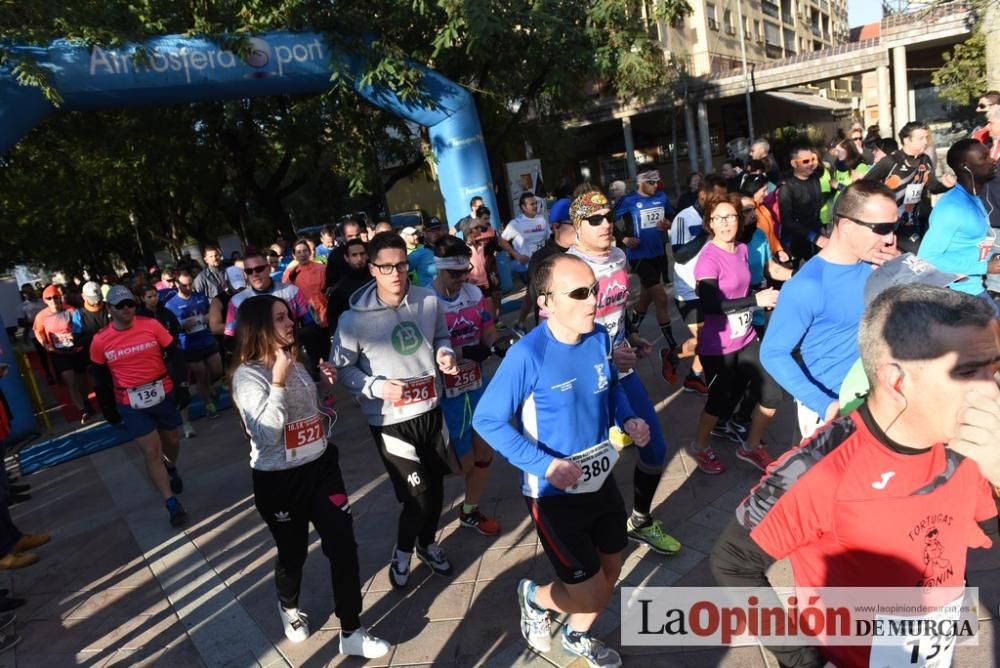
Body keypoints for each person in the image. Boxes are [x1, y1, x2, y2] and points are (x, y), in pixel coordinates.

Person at [711, 283, 1000, 668]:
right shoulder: (821, 468)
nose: (992, 390)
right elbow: (732, 561)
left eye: (995, 368)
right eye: (968, 372)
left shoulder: (974, 444)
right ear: (897, 381)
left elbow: (990, 529)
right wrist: (803, 661)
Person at [473, 252, 650, 668]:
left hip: (599, 478)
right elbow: (487, 420)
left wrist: (630, 417)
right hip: (552, 493)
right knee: (588, 592)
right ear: (546, 303)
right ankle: (533, 597)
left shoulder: (598, 338)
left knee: (611, 571)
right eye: (580, 293)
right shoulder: (527, 355)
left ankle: (576, 634)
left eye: (595, 289)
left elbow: (611, 390)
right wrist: (546, 466)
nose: (593, 300)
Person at [229, 295, 390, 657]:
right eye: (281, 318)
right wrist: (279, 381)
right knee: (293, 553)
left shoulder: (294, 362)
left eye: (289, 316)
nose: (291, 323)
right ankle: (288, 605)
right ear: (259, 328)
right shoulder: (248, 376)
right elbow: (267, 432)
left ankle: (352, 629)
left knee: (343, 547)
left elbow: (309, 414)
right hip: (279, 481)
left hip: (320, 468)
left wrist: (322, 387)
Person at [330, 232, 459, 590]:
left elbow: (442, 337)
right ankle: (403, 552)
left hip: (430, 411)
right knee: (417, 496)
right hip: (390, 421)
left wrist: (444, 355)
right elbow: (342, 368)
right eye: (386, 267)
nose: (396, 273)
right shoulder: (352, 320)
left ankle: (428, 544)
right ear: (372, 269)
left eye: (401, 264)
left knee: (435, 489)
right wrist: (376, 387)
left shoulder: (428, 300)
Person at [565, 191, 682, 555]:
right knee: (587, 467)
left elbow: (616, 311)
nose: (606, 226)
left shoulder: (618, 256)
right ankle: (583, 542)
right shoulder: (567, 268)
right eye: (594, 220)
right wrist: (607, 357)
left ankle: (641, 520)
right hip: (584, 382)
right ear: (577, 226)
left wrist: (631, 336)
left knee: (654, 447)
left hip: (622, 370)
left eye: (608, 217)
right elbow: (560, 340)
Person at [761, 181, 900, 441]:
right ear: (846, 226)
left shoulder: (878, 263)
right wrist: (826, 405)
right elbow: (772, 352)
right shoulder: (808, 285)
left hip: (879, 400)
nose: (890, 238)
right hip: (835, 409)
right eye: (882, 228)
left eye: (894, 227)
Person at [688, 194, 783, 474]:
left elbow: (746, 287)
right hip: (718, 346)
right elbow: (710, 305)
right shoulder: (707, 259)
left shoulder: (742, 249)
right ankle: (699, 447)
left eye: (731, 216)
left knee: (772, 393)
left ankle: (750, 447)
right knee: (719, 402)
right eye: (719, 218)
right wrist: (756, 301)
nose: (727, 222)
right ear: (710, 224)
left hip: (746, 337)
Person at [90, 286, 190, 527]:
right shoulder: (100, 340)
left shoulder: (151, 325)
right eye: (120, 306)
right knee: (152, 452)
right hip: (130, 402)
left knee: (172, 441)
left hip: (162, 392)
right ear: (109, 309)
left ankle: (172, 467)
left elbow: (174, 354)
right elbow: (99, 377)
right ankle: (171, 503)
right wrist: (107, 408)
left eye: (130, 304)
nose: (126, 309)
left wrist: (182, 385)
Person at [431, 237, 502, 536]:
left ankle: (469, 511)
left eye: (466, 271)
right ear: (439, 270)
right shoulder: (426, 301)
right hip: (444, 393)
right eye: (454, 274)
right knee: (462, 464)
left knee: (485, 454)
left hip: (476, 384)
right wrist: (463, 353)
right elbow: (423, 351)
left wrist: (499, 345)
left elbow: (488, 330)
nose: (462, 279)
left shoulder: (474, 293)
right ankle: (426, 515)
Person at [918, 138, 1000, 311]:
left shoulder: (974, 198)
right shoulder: (952, 207)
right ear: (965, 166)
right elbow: (928, 258)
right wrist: (985, 266)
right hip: (957, 298)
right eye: (983, 158)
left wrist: (989, 258)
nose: (992, 161)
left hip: (975, 290)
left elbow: (967, 245)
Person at [615, 170, 679, 384]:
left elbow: (671, 215)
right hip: (639, 256)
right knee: (661, 298)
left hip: (659, 253)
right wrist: (624, 238)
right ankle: (672, 345)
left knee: (647, 297)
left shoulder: (661, 198)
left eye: (657, 182)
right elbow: (611, 221)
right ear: (641, 183)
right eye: (651, 183)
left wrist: (668, 223)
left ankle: (631, 330)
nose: (655, 187)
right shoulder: (628, 201)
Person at [668, 174, 729, 394]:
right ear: (703, 195)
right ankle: (674, 355)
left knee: (710, 337)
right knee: (707, 338)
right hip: (689, 291)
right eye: (717, 196)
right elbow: (680, 255)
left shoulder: (719, 215)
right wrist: (704, 232)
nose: (721, 200)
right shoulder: (684, 218)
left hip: (712, 286)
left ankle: (693, 377)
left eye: (724, 196)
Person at [864, 121, 956, 254]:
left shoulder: (925, 160)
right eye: (921, 138)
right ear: (907, 140)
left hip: (910, 223)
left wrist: (945, 185)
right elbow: (863, 185)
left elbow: (932, 186)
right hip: (886, 223)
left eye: (926, 138)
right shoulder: (891, 161)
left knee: (920, 254)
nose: (925, 142)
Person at [164, 271, 222, 422]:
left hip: (207, 339)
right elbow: (170, 327)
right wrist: (182, 325)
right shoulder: (170, 305)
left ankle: (211, 387)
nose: (188, 287)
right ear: (177, 284)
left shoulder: (200, 297)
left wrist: (207, 317)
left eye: (190, 284)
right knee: (201, 375)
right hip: (189, 345)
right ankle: (209, 405)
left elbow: (211, 313)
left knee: (217, 370)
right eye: (184, 285)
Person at [32, 285, 93, 422]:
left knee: (82, 380)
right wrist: (45, 344)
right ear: (45, 300)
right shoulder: (41, 316)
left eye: (55, 297)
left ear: (60, 298)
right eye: (49, 298)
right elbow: (37, 330)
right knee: (70, 381)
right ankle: (83, 410)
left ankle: (86, 401)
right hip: (58, 353)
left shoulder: (71, 310)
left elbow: (81, 326)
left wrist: (79, 340)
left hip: (76, 351)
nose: (53, 300)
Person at [499, 193, 551, 335]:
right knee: (538, 294)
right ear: (523, 207)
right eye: (531, 204)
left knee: (531, 294)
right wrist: (516, 255)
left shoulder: (541, 219)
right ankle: (541, 327)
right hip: (526, 267)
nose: (535, 206)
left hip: (542, 263)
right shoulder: (516, 223)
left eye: (535, 203)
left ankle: (520, 323)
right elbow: (501, 241)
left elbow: (548, 239)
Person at [777, 145, 823, 265]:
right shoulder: (786, 187)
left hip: (816, 238)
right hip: (795, 242)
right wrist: (813, 236)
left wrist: (820, 229)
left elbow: (816, 209)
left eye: (812, 160)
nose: (811, 164)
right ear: (794, 163)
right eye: (806, 161)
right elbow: (787, 220)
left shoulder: (815, 177)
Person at [461, 207, 502, 322]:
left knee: (490, 312)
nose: (480, 229)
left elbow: (498, 247)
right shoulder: (464, 249)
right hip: (471, 286)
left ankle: (493, 328)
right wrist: (466, 281)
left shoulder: (481, 246)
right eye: (476, 228)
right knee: (476, 314)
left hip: (484, 283)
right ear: (469, 231)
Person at [739, 175, 788, 263]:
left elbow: (771, 233)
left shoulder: (764, 207)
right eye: (764, 190)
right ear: (754, 190)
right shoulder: (744, 213)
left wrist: (779, 250)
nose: (766, 194)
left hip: (771, 256)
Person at [327, 239, 371, 333]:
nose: (359, 258)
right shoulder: (340, 289)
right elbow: (332, 317)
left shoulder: (377, 279)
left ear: (367, 255)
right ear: (347, 258)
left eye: (362, 254)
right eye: (354, 255)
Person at [283, 238, 328, 329]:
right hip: (305, 315)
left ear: (310, 252)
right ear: (294, 255)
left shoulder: (322, 268)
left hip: (325, 310)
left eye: (305, 251)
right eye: (299, 252)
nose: (302, 254)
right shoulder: (291, 273)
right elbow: (286, 293)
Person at [18, 284, 54, 384]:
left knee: (54, 353)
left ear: (33, 290)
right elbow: (20, 322)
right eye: (25, 292)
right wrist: (36, 322)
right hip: (36, 334)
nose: (28, 293)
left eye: (30, 290)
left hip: (50, 331)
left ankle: (59, 373)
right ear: (23, 294)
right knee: (43, 355)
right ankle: (48, 374)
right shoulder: (22, 306)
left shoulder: (43, 301)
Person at [324, 218, 365, 289]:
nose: (354, 238)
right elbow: (331, 284)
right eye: (350, 236)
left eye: (357, 235)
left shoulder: (369, 249)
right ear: (343, 236)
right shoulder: (335, 256)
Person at [406, 217, 445, 287]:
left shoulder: (451, 249)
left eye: (438, 229)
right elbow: (400, 270)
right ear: (425, 233)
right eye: (432, 230)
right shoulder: (418, 254)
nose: (436, 232)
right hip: (430, 296)